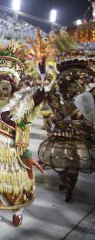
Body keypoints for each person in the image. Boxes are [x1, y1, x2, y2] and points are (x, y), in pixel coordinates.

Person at [0, 43, 47, 230]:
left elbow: (39, 97)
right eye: (1, 81)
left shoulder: (21, 102)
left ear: (13, 84)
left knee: (14, 187)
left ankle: (16, 211)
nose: (5, 84)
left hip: (13, 153)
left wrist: (43, 79)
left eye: (8, 81)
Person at [39, 31, 95, 202]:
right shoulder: (58, 96)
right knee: (60, 164)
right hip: (61, 134)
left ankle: (69, 189)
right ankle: (65, 181)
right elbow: (51, 111)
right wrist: (50, 118)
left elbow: (90, 115)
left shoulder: (87, 94)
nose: (72, 86)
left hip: (80, 135)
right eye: (69, 84)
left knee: (73, 166)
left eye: (75, 83)